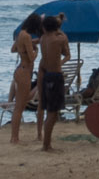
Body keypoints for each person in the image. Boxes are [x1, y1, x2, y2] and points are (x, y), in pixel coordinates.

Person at [35, 13, 71, 152]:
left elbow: (53, 31)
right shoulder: (60, 39)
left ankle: (46, 143)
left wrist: (58, 22)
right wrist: (61, 62)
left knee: (50, 111)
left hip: (46, 76)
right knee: (53, 113)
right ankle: (46, 145)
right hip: (56, 76)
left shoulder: (43, 39)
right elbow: (67, 53)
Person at [7, 14, 40, 145]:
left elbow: (13, 49)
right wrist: (35, 49)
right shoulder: (26, 36)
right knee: (19, 107)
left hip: (20, 69)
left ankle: (14, 136)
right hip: (25, 71)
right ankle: (14, 138)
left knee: (20, 104)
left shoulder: (21, 34)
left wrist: (29, 45)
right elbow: (32, 58)